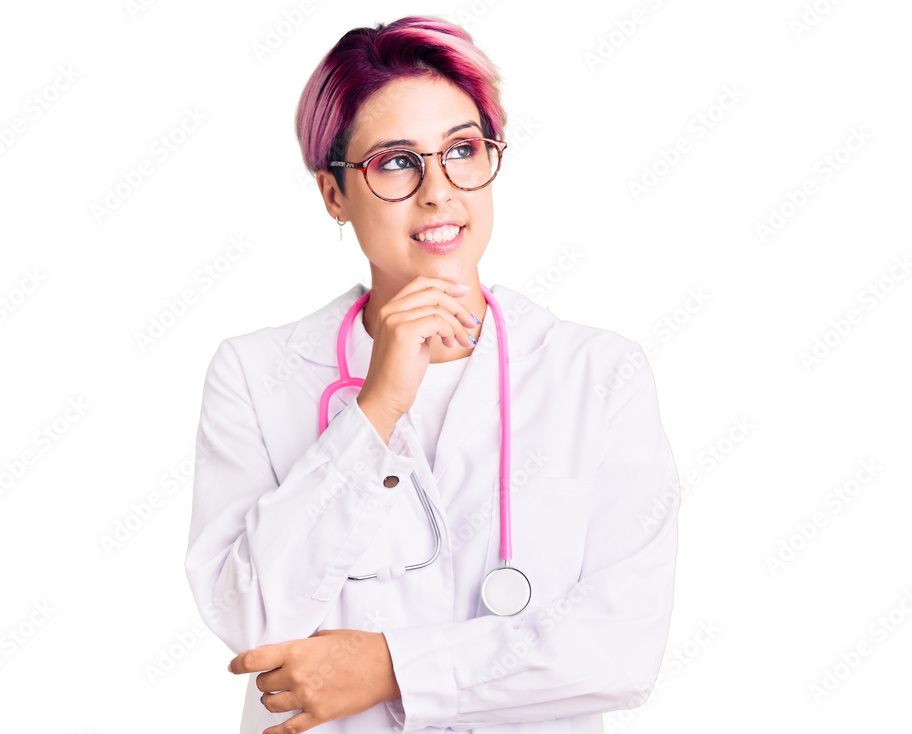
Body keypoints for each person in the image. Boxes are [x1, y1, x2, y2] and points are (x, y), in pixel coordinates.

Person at [184, 15, 679, 734]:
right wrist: (376, 409)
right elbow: (251, 617)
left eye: (462, 150)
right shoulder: (257, 376)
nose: (439, 191)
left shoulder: (597, 374)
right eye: (394, 162)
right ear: (332, 194)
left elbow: (619, 649)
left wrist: (387, 668)